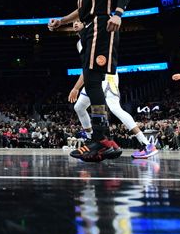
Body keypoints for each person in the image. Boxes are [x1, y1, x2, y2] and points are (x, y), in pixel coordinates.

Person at [48, 0, 130, 162]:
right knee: (92, 82)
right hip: (88, 27)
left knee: (93, 80)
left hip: (102, 24)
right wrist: (62, 21)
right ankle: (105, 140)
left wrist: (118, 14)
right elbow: (80, 9)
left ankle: (101, 140)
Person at [67, 20, 158, 159]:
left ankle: (146, 144)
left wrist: (75, 88)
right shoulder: (80, 43)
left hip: (106, 75)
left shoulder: (94, 36)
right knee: (79, 107)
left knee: (115, 108)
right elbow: (86, 67)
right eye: (74, 22)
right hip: (93, 76)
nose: (75, 23)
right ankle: (94, 140)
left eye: (79, 21)